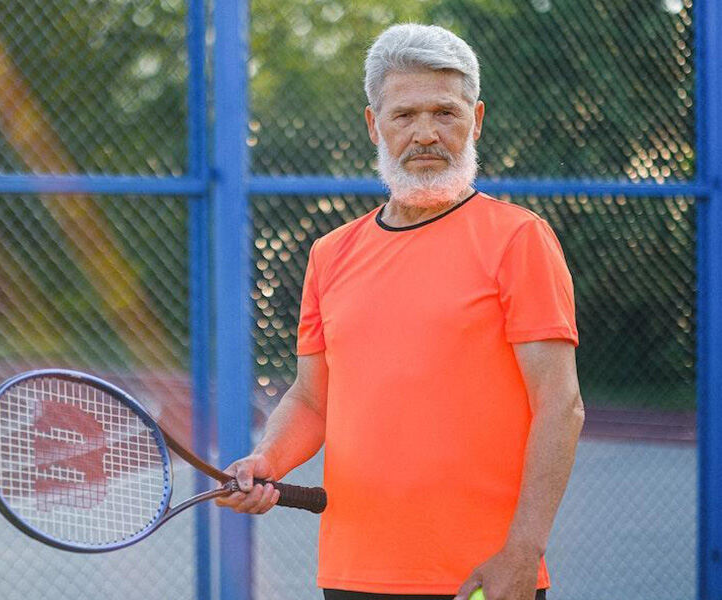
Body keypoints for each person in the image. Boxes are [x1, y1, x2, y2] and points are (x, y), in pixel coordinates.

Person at [217, 23, 585, 600]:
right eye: (405, 115)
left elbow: (560, 406)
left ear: (476, 120)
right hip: (352, 573)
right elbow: (312, 399)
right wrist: (267, 459)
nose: (425, 134)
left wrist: (523, 550)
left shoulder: (519, 240)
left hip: (482, 575)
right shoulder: (330, 254)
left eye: (445, 113)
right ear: (374, 125)